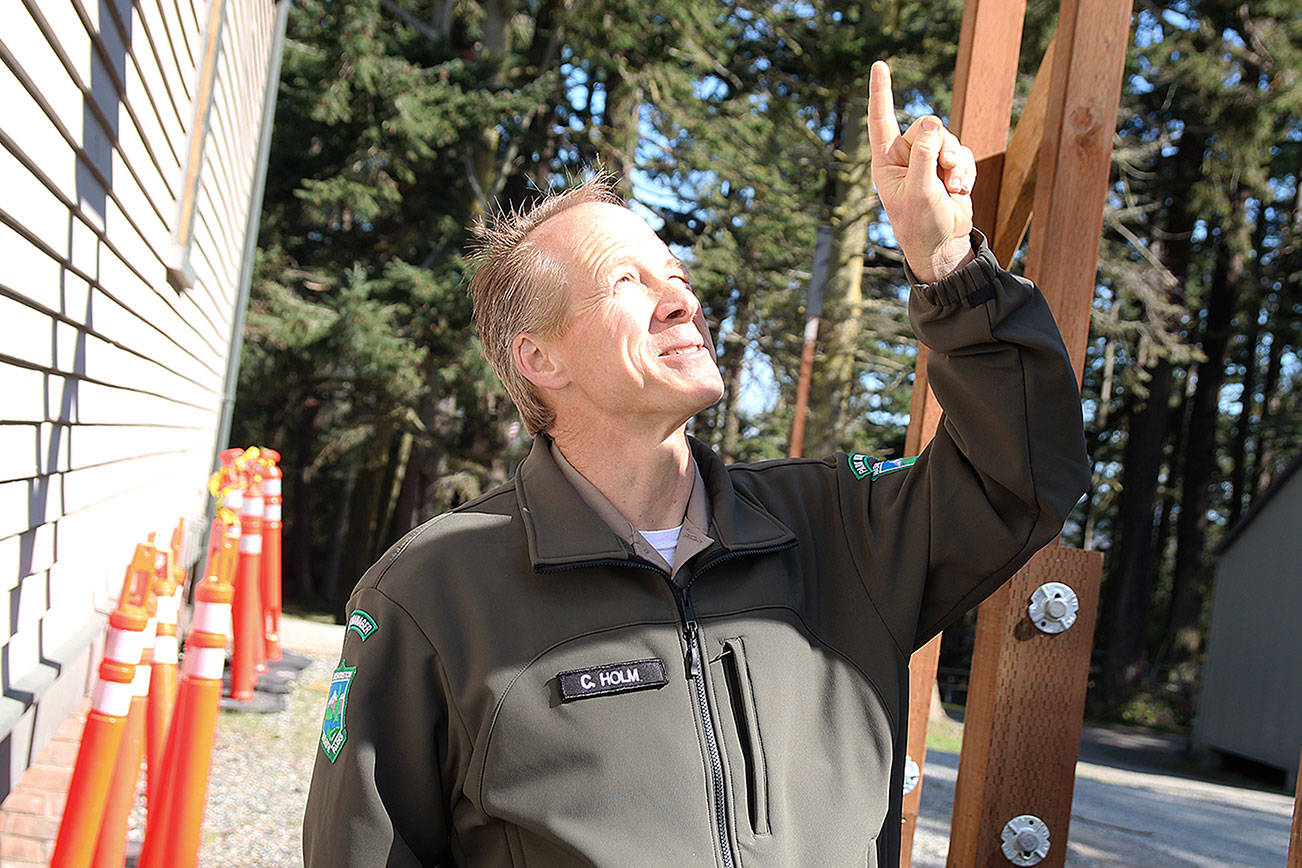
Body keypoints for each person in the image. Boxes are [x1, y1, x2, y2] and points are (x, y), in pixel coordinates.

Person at [302, 61, 1089, 867]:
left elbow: (1023, 475)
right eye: (626, 282)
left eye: (676, 277)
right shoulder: (433, 591)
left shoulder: (837, 529)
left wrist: (950, 264)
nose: (682, 300)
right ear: (539, 358)